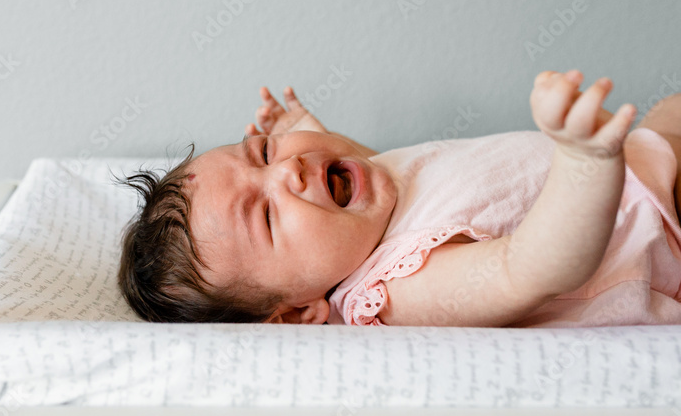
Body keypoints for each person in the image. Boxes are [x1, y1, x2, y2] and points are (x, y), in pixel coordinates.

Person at [117, 70, 681, 327]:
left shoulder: (369, 199)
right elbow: (529, 268)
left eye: (263, 151)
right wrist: (585, 162)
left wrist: (315, 132)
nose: (288, 170)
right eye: (266, 215)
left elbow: (416, 176)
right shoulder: (394, 289)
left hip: (648, 159)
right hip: (666, 230)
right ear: (297, 312)